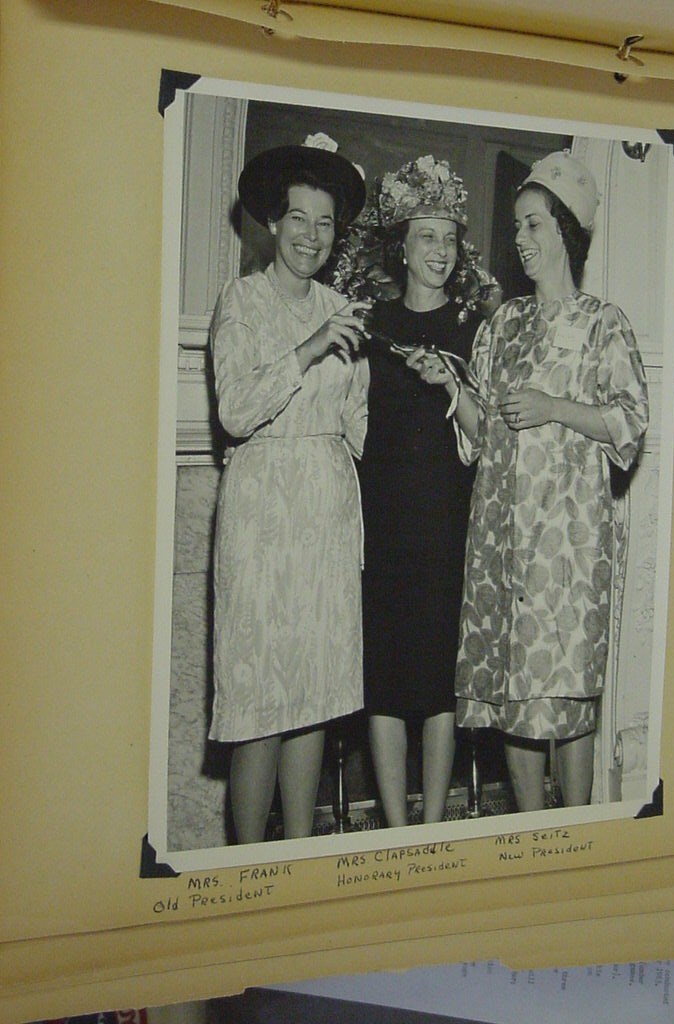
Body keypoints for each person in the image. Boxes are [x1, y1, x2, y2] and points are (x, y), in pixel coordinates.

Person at [409, 150, 649, 812]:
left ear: (566, 229)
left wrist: (555, 409)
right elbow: (480, 434)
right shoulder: (502, 325)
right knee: (513, 690)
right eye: (517, 227)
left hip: (568, 542)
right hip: (500, 538)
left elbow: (631, 423)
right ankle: (531, 837)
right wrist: (452, 389)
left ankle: (575, 836)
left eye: (535, 224)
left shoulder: (605, 324)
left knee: (566, 689)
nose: (521, 240)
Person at [207, 135, 371, 844]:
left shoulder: (346, 308)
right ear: (274, 222)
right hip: (262, 518)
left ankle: (299, 861)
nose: (311, 236)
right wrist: (308, 347)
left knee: (314, 698)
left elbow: (358, 424)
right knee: (258, 704)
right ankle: (248, 874)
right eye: (299, 219)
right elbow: (236, 412)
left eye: (325, 223)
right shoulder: (241, 301)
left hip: (328, 514)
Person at [336, 155, 496, 827]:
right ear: (400, 245)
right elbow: (345, 424)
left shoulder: (473, 330)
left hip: (447, 522)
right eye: (425, 235)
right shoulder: (369, 327)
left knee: (438, 677)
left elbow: (486, 434)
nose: (438, 249)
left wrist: (450, 388)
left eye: (448, 236)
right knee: (386, 679)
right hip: (382, 522)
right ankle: (397, 831)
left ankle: (432, 825)